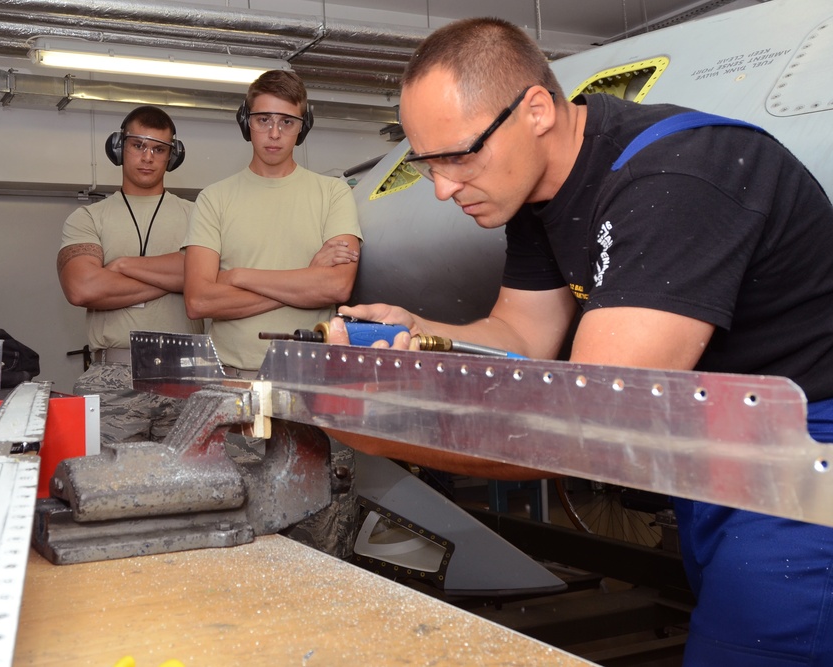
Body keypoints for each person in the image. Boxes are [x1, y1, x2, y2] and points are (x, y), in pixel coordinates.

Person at [327, 17, 833, 667]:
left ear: (535, 109)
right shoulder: (539, 196)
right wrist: (417, 334)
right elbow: (520, 334)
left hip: (806, 459)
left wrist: (375, 423)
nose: (445, 187)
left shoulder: (676, 178)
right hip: (719, 451)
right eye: (429, 164)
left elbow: (588, 418)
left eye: (459, 155)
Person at [182, 69, 363, 557]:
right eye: (264, 119)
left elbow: (335, 284)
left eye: (287, 121)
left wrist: (238, 275)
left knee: (326, 524)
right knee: (242, 525)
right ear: (247, 122)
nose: (275, 132)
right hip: (240, 391)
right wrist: (302, 277)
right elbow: (199, 299)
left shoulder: (333, 194)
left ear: (303, 126)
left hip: (315, 385)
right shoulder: (215, 200)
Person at [57, 105, 202, 446]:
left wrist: (121, 266)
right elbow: (82, 288)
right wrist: (174, 277)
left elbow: (208, 276)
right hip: (113, 377)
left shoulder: (198, 215)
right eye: (138, 145)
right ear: (120, 148)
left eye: (159, 149)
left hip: (187, 375)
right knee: (109, 491)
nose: (148, 157)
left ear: (172, 156)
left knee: (192, 492)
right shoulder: (87, 218)